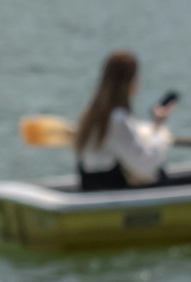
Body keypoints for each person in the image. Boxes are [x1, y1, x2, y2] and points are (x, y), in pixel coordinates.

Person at [70, 50, 175, 191]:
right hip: (115, 195)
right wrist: (159, 129)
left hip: (94, 189)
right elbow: (145, 166)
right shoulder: (118, 119)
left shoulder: (90, 115)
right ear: (131, 82)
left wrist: (152, 127)